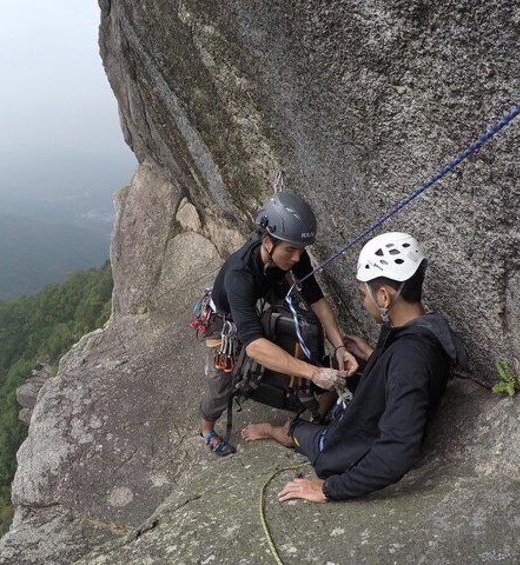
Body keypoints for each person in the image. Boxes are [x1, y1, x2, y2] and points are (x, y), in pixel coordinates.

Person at [241, 232, 466, 501]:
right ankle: (320, 416)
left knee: (295, 430)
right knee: (334, 372)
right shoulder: (424, 329)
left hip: (351, 446)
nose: (363, 302)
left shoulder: (411, 358)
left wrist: (327, 489)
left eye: (364, 295)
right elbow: (403, 377)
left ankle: (275, 430)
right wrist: (370, 355)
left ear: (384, 297)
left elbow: (396, 452)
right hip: (369, 413)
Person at [199, 192, 359, 456]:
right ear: (267, 242)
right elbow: (253, 346)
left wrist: (339, 346)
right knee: (222, 381)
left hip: (267, 290)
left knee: (303, 329)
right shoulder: (240, 274)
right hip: (224, 322)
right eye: (290, 250)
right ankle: (206, 429)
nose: (297, 258)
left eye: (300, 250)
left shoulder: (289, 253)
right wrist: (313, 372)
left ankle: (303, 391)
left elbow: (316, 300)